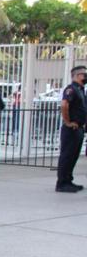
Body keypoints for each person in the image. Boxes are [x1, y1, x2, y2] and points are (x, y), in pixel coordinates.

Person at [56, 65, 86, 193]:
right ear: (76, 76)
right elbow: (64, 105)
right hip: (71, 130)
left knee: (73, 156)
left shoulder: (80, 90)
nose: (85, 76)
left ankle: (68, 181)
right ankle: (62, 183)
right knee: (67, 156)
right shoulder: (71, 89)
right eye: (84, 74)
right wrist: (68, 122)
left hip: (79, 128)